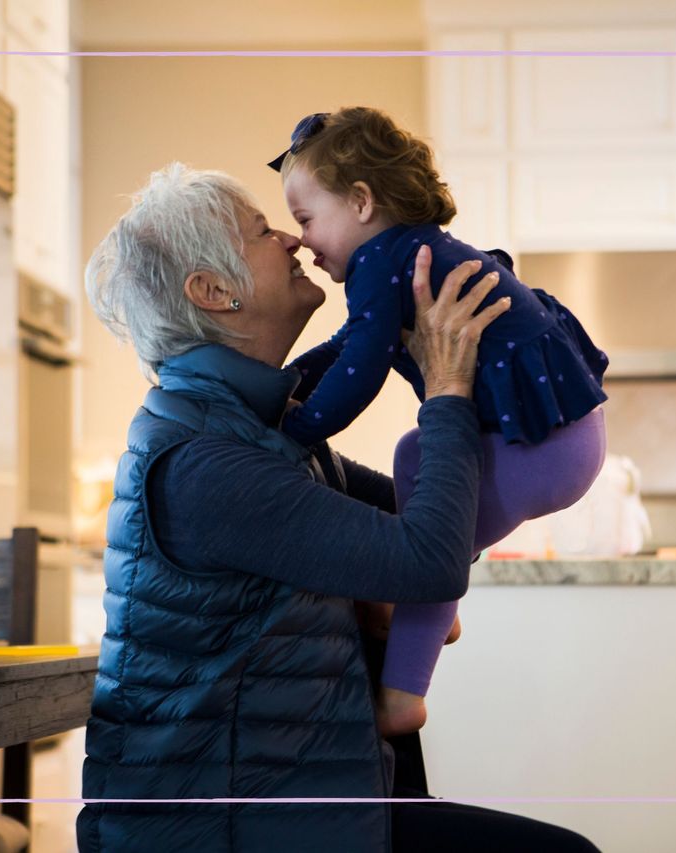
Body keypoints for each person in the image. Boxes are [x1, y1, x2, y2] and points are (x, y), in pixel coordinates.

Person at [77, 163, 600, 853]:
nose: (293, 242)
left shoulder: (262, 432)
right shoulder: (205, 462)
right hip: (225, 831)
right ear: (213, 292)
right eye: (264, 231)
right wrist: (447, 387)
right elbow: (432, 560)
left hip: (295, 810)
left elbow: (434, 527)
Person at [269, 107, 610, 735]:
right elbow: (350, 344)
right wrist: (285, 386)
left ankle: (403, 693)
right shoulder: (407, 252)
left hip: (543, 446)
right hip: (564, 438)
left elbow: (364, 366)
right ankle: (431, 608)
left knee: (427, 512)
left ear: (362, 203)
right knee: (415, 455)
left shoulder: (381, 262)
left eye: (306, 220)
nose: (304, 242)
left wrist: (301, 424)